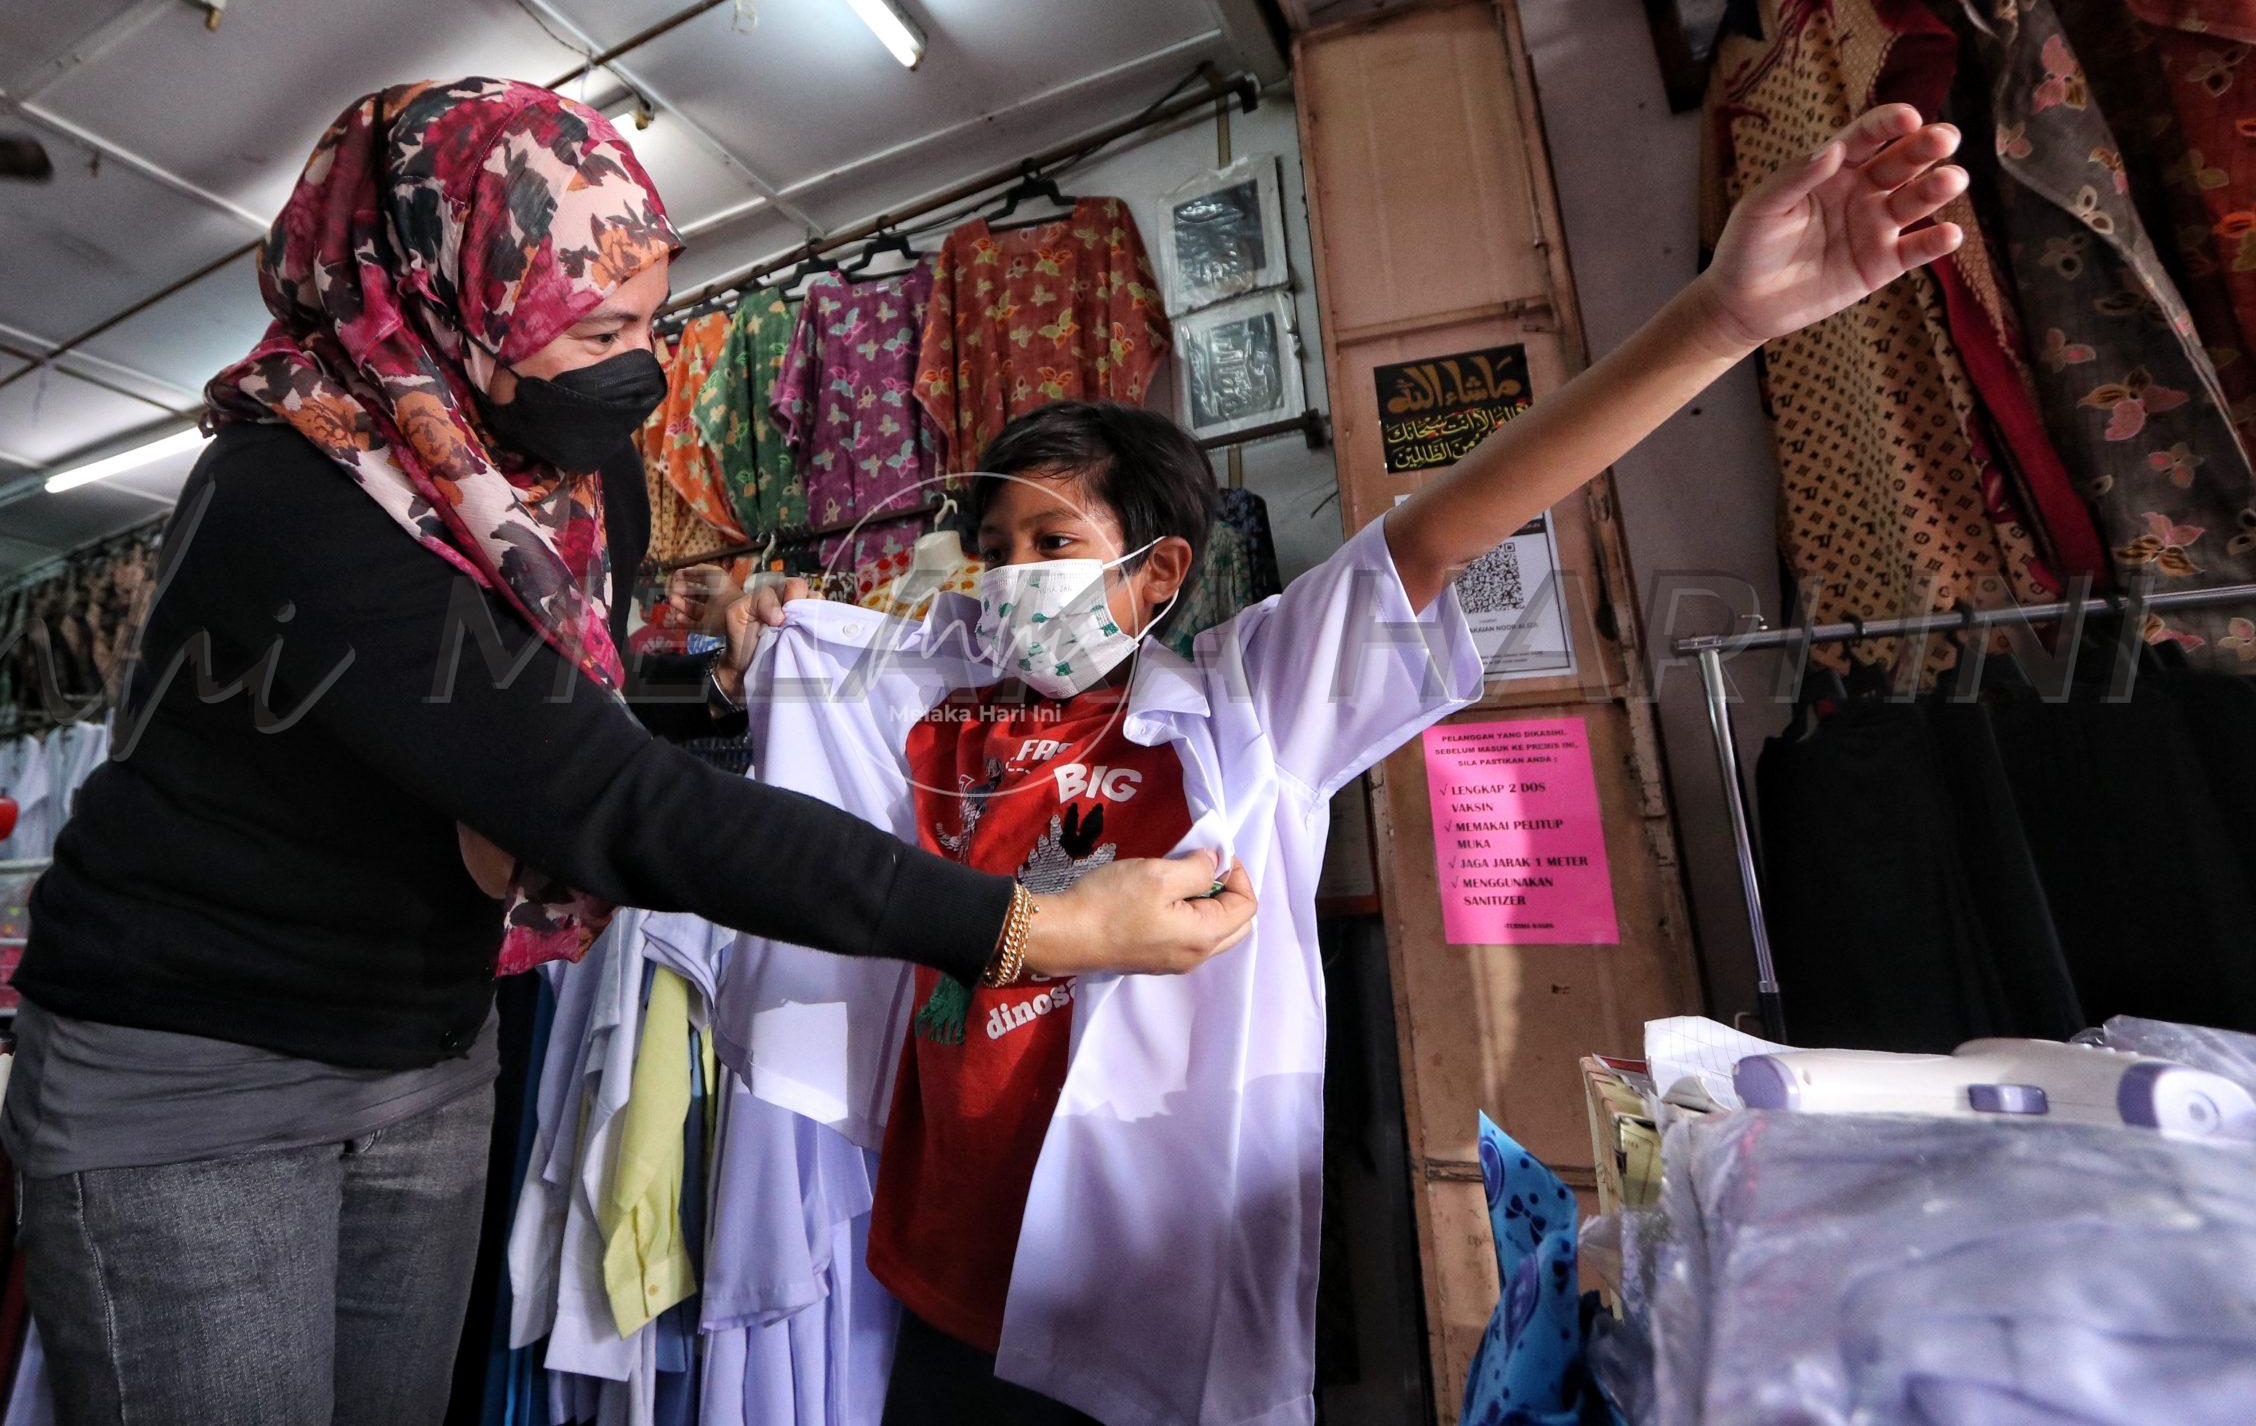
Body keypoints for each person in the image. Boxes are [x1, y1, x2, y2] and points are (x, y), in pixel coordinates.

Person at [0, 77, 1253, 1426]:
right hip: (200, 1071)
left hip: (428, 1048)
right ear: (453, 296)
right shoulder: (289, 493)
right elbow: (604, 795)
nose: (640, 366)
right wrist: (1029, 927)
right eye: (599, 326)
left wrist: (734, 623)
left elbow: (557, 711)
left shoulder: (569, 482)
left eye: (653, 319)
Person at [710, 102, 1973, 1422]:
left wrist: (1719, 317)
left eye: (1056, 542)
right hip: (937, 1261)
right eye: (1002, 548)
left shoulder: (1251, 708)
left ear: (1158, 576)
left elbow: (1438, 534)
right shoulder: (939, 707)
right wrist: (758, 647)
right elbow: (817, 692)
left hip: (1130, 1293)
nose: (1018, 577)